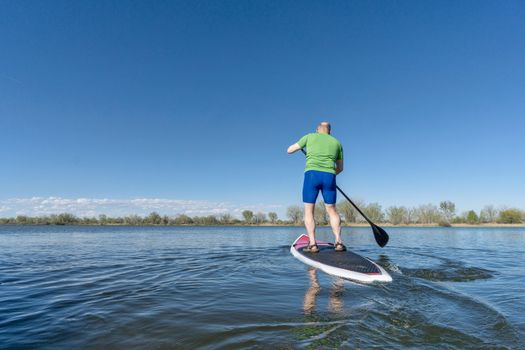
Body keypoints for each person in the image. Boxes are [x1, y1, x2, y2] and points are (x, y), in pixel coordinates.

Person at [287, 122, 345, 253]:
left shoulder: (309, 136)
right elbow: (340, 168)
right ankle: (339, 242)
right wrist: (330, 176)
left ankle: (313, 244)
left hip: (312, 175)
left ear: (317, 129)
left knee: (309, 210)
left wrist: (302, 145)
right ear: (329, 131)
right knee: (332, 210)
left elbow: (289, 150)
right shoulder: (337, 143)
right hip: (329, 176)